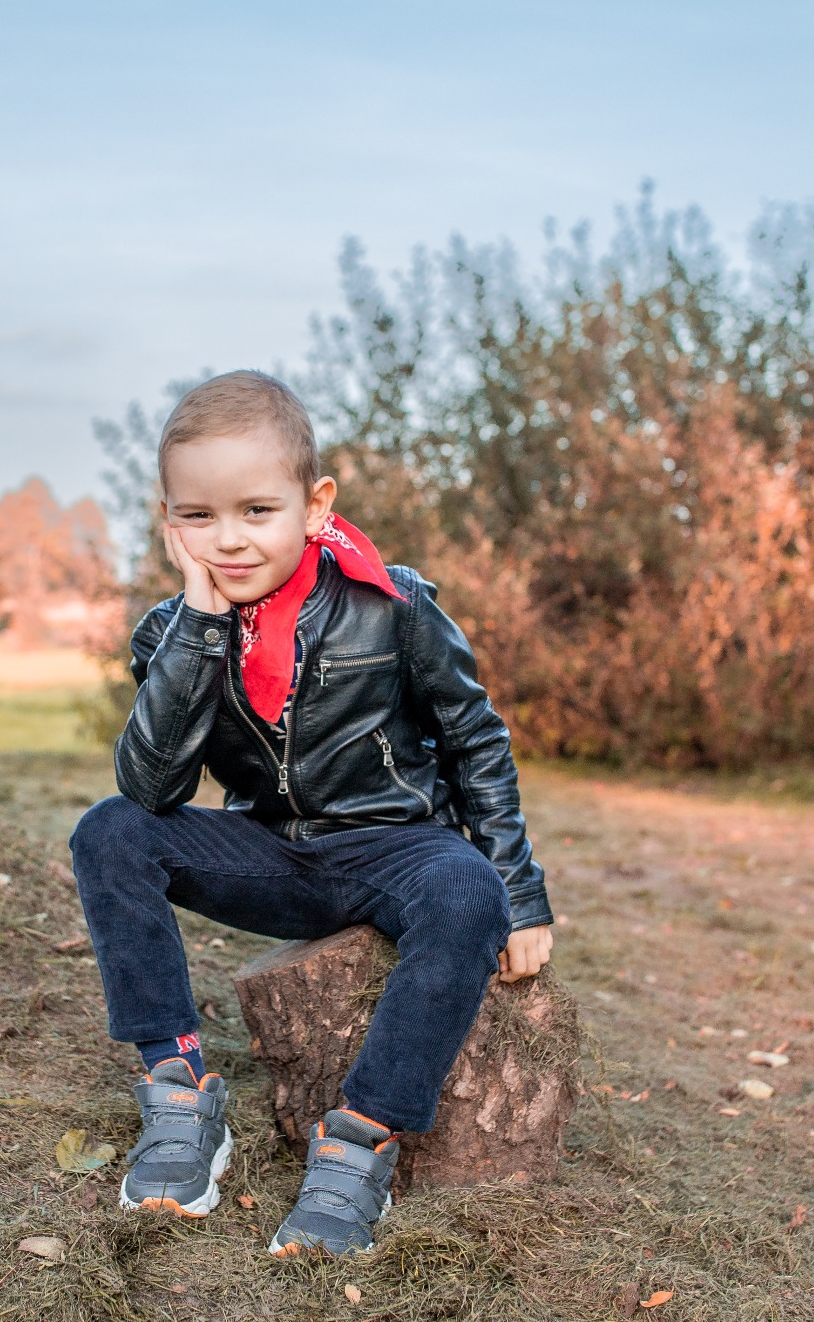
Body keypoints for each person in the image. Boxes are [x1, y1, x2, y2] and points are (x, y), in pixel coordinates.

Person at [69, 370, 555, 1256]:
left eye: (257, 510)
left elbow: (476, 738)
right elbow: (153, 790)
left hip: (398, 847)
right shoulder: (171, 631)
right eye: (199, 516)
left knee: (468, 891)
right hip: (270, 852)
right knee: (108, 829)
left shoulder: (394, 604)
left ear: (314, 503)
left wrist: (521, 894)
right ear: (170, 521)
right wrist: (200, 626)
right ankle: (180, 1093)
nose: (230, 539)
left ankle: (359, 1141)